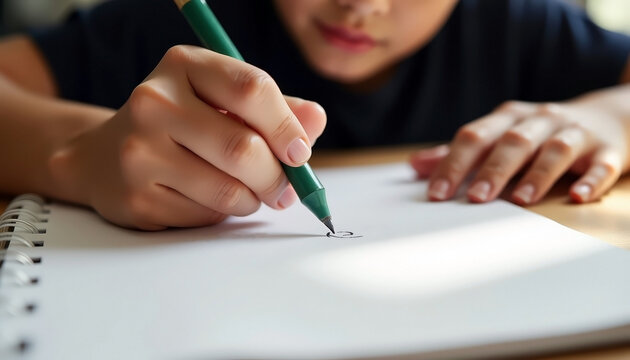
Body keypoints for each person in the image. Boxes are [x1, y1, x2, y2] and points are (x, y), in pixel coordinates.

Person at [0, 0, 628, 230]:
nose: (362, 6)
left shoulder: (516, 23)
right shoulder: (170, 21)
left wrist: (613, 116)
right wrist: (75, 151)